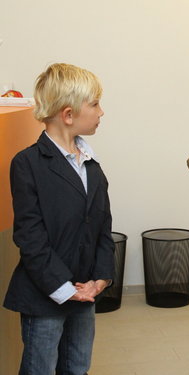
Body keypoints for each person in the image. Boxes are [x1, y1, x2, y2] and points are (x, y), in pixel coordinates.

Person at [3, 63, 115, 375]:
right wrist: (66, 288)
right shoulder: (27, 164)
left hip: (86, 293)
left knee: (77, 366)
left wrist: (100, 279)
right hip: (46, 295)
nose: (101, 112)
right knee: (41, 367)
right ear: (68, 115)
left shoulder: (93, 167)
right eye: (94, 104)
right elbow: (30, 238)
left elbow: (103, 231)